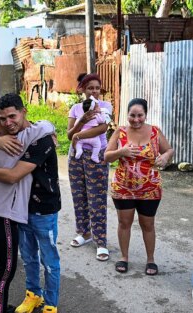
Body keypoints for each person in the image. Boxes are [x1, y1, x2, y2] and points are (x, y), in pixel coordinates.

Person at [0, 93, 55, 313]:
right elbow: (44, 128)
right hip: (3, 215)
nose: (8, 122)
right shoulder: (12, 141)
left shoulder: (3, 140)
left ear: (23, 112)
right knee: (7, 269)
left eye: (12, 116)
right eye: (3, 119)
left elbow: (45, 127)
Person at [104, 98, 173, 275]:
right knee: (124, 222)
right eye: (132, 116)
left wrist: (165, 157)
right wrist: (122, 151)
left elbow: (169, 150)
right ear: (127, 115)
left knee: (147, 224)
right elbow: (107, 156)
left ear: (145, 114)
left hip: (150, 189)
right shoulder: (120, 132)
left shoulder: (155, 132)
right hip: (123, 188)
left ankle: (151, 260)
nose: (136, 119)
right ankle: (124, 257)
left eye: (140, 115)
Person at [68, 73, 111, 261]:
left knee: (97, 197)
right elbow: (70, 135)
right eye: (90, 88)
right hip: (75, 156)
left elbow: (102, 128)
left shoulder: (105, 106)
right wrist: (83, 121)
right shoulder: (76, 108)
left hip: (96, 155)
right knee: (79, 195)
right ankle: (84, 233)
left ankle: (100, 241)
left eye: (96, 87)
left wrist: (79, 135)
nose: (94, 91)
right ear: (82, 90)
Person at [74, 97, 110, 163]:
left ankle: (79, 151)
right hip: (93, 137)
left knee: (78, 143)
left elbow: (76, 123)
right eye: (98, 107)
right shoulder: (97, 116)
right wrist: (101, 113)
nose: (99, 108)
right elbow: (102, 121)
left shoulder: (83, 116)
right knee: (97, 145)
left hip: (82, 135)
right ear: (94, 110)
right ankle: (94, 156)